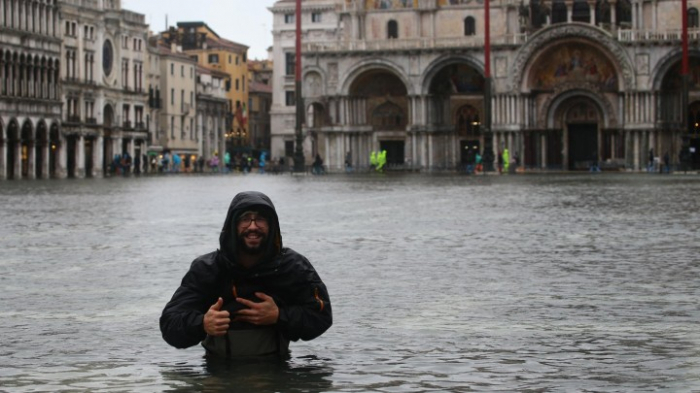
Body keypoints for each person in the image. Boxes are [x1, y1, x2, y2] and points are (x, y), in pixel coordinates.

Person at [160, 191, 333, 358]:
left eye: (260, 219)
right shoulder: (207, 269)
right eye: (245, 219)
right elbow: (169, 324)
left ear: (272, 226)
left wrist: (279, 316)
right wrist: (202, 323)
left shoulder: (293, 267)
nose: (253, 226)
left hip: (276, 371)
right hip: (218, 373)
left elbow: (321, 316)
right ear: (232, 226)